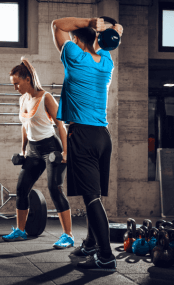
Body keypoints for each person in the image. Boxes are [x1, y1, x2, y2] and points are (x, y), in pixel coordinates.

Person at [51, 17, 123, 269]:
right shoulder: (105, 62)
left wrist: (92, 22)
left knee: (91, 198)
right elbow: (104, 44)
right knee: (95, 197)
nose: (69, 41)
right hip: (103, 137)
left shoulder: (74, 56)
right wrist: (111, 32)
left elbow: (57, 25)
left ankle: (105, 256)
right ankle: (92, 244)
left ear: (77, 40)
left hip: (81, 135)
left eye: (73, 39)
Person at [2, 57, 74, 249]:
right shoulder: (22, 98)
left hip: (51, 148)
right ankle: (20, 230)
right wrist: (23, 149)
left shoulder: (46, 97)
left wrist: (66, 152)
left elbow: (60, 125)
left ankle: (68, 235)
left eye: (17, 83)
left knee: (54, 189)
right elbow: (25, 126)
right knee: (21, 189)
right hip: (33, 150)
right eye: (13, 84)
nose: (15, 87)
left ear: (27, 79)